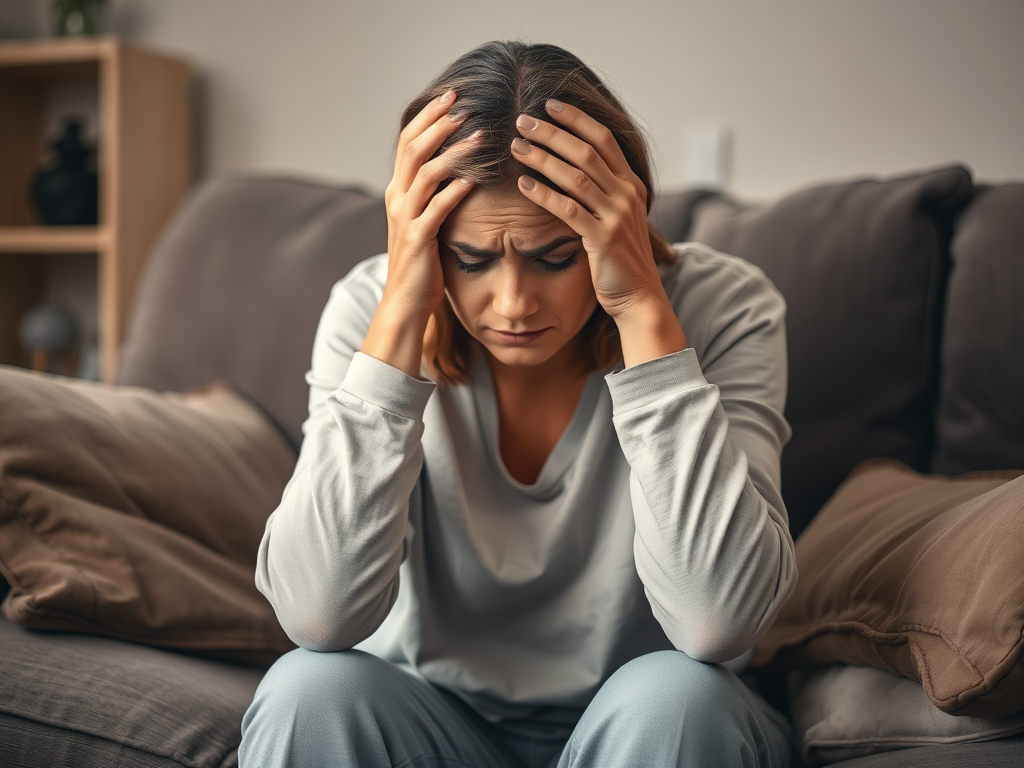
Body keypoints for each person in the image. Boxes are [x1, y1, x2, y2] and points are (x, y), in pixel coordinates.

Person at [239, 40, 798, 768]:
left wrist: (641, 311)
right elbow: (318, 613)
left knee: (682, 699)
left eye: (556, 257)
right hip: (430, 722)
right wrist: (402, 318)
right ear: (428, 244)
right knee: (306, 692)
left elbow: (718, 621)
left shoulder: (728, 307)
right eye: (471, 260)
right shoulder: (366, 309)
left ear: (621, 220)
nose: (512, 304)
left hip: (643, 731)